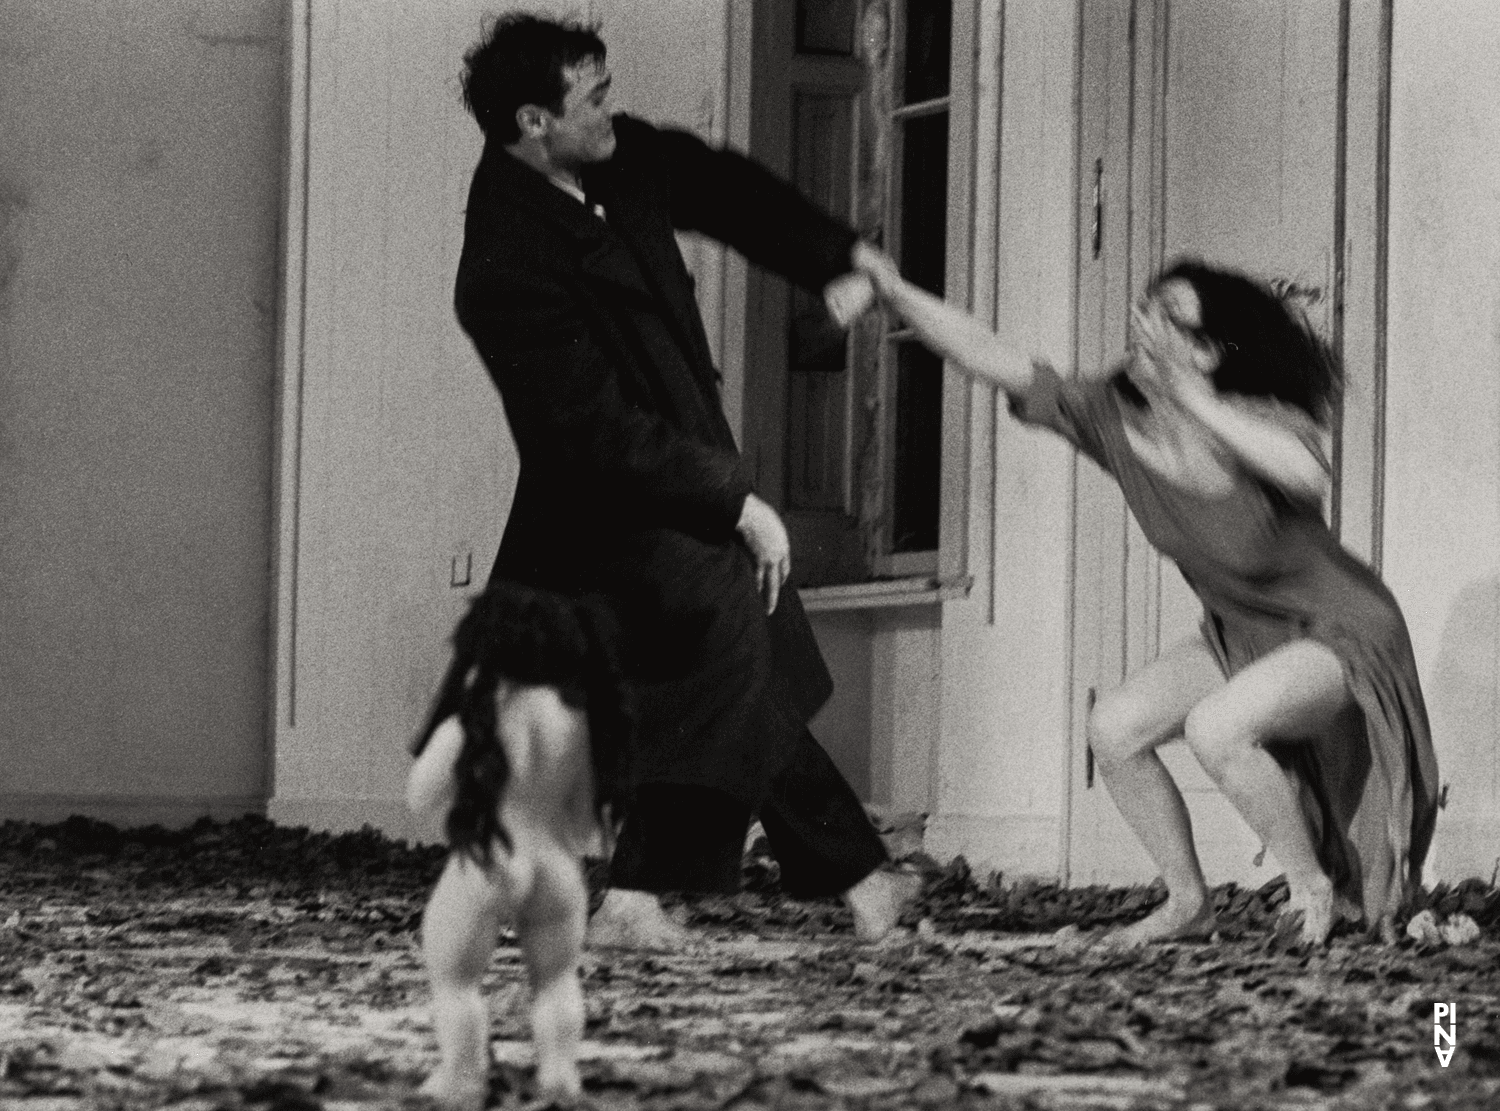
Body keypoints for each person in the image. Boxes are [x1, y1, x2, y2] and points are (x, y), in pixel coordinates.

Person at [451, 13, 913, 950]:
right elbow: (590, 432)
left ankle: (727, 890)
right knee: (728, 654)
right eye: (594, 99)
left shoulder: (616, 162)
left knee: (724, 680)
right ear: (536, 122)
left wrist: (836, 255)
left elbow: (720, 187)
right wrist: (734, 502)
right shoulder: (502, 260)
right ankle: (840, 878)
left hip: (673, 478)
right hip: (603, 508)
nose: (612, 109)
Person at [854, 246, 1439, 947]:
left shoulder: (1252, 417)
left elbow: (1308, 473)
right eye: (1147, 307)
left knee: (1218, 728)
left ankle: (1309, 885)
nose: (1145, 325)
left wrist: (1196, 400)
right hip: (1241, 631)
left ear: (1210, 352)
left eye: (1171, 320)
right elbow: (992, 353)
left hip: (1345, 630)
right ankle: (1189, 900)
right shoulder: (1109, 414)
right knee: (1116, 726)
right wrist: (896, 291)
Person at [407, 581, 633, 1107]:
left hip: (489, 859)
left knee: (455, 979)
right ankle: (560, 1072)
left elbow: (420, 795)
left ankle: (461, 1075)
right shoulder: (581, 725)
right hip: (558, 868)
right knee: (556, 979)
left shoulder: (474, 721)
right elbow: (582, 818)